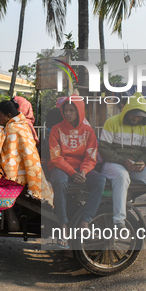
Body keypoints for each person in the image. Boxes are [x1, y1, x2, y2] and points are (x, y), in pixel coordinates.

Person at [0, 100, 52, 230]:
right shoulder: (21, 125)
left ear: (8, 116)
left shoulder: (12, 130)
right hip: (20, 174)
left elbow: (8, 160)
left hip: (14, 178)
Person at [99, 92, 146, 233]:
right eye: (133, 115)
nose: (136, 119)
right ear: (126, 111)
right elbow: (104, 149)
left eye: (140, 116)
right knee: (122, 176)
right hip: (114, 164)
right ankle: (119, 222)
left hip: (136, 166)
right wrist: (122, 161)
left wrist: (143, 162)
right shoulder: (112, 122)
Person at [48, 97, 107, 247]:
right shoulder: (56, 129)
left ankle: (85, 222)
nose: (67, 113)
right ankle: (63, 225)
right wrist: (72, 172)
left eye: (71, 110)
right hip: (61, 167)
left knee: (100, 180)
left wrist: (83, 171)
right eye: (65, 110)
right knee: (59, 181)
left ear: (79, 111)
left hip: (81, 169)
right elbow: (56, 158)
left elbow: (91, 156)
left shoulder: (89, 131)